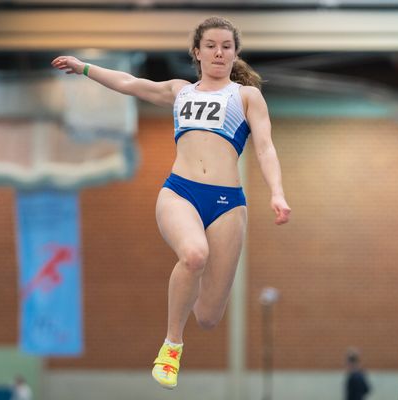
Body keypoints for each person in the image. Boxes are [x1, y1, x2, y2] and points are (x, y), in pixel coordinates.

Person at [51, 16, 291, 390]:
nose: (218, 52)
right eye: (210, 45)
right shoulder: (181, 91)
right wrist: (84, 67)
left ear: (235, 53)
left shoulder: (246, 97)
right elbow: (130, 83)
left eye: (226, 46)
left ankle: (189, 290)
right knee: (195, 254)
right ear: (197, 52)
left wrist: (277, 192)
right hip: (180, 192)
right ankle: (171, 345)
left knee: (209, 317)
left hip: (228, 203)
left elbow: (265, 147)